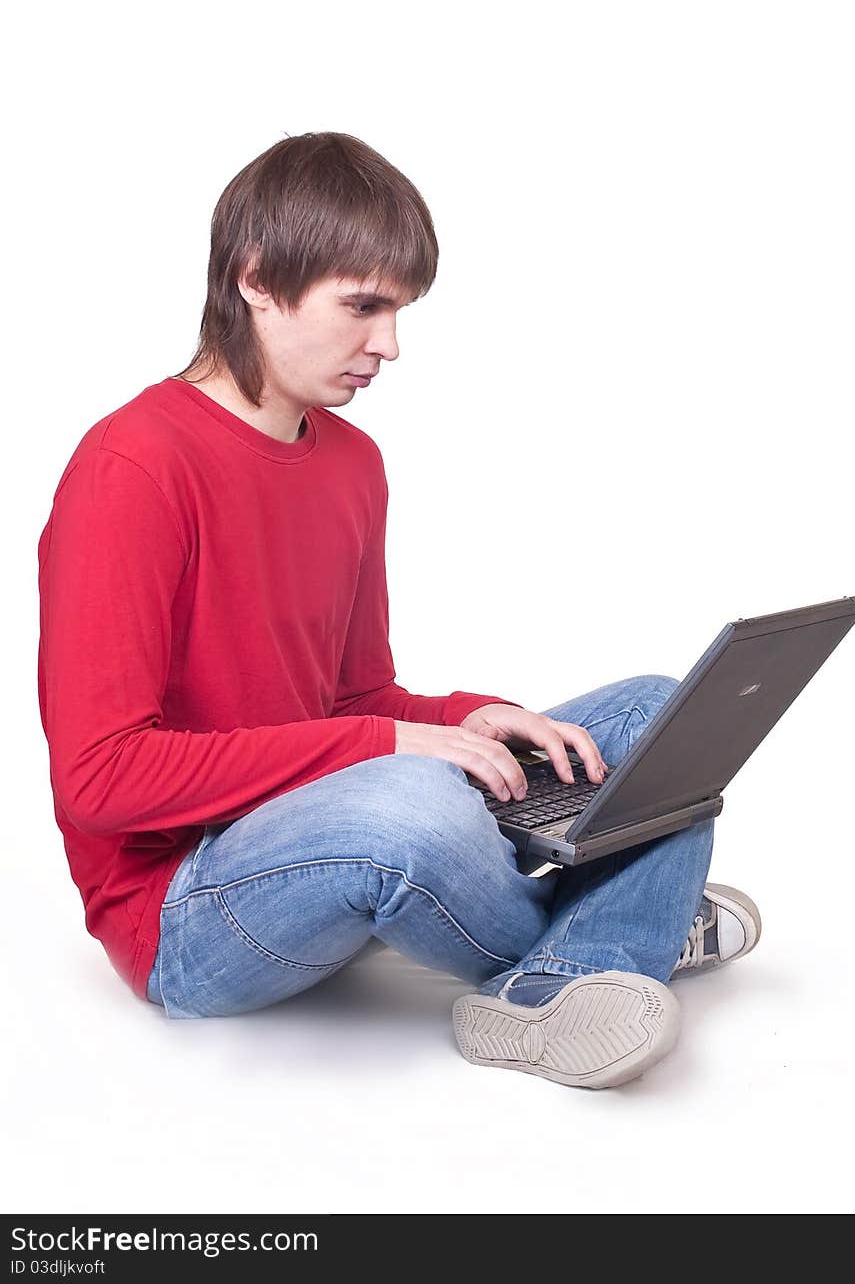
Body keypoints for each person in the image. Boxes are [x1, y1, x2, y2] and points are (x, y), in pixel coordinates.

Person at [36, 131, 760, 1090]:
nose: (388, 345)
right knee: (413, 806)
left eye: (400, 311)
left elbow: (355, 696)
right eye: (363, 306)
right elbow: (101, 778)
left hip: (331, 816)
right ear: (257, 279)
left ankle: (576, 966)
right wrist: (386, 751)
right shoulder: (132, 467)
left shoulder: (350, 463)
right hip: (189, 907)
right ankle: (623, 938)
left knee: (656, 711)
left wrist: (461, 718)